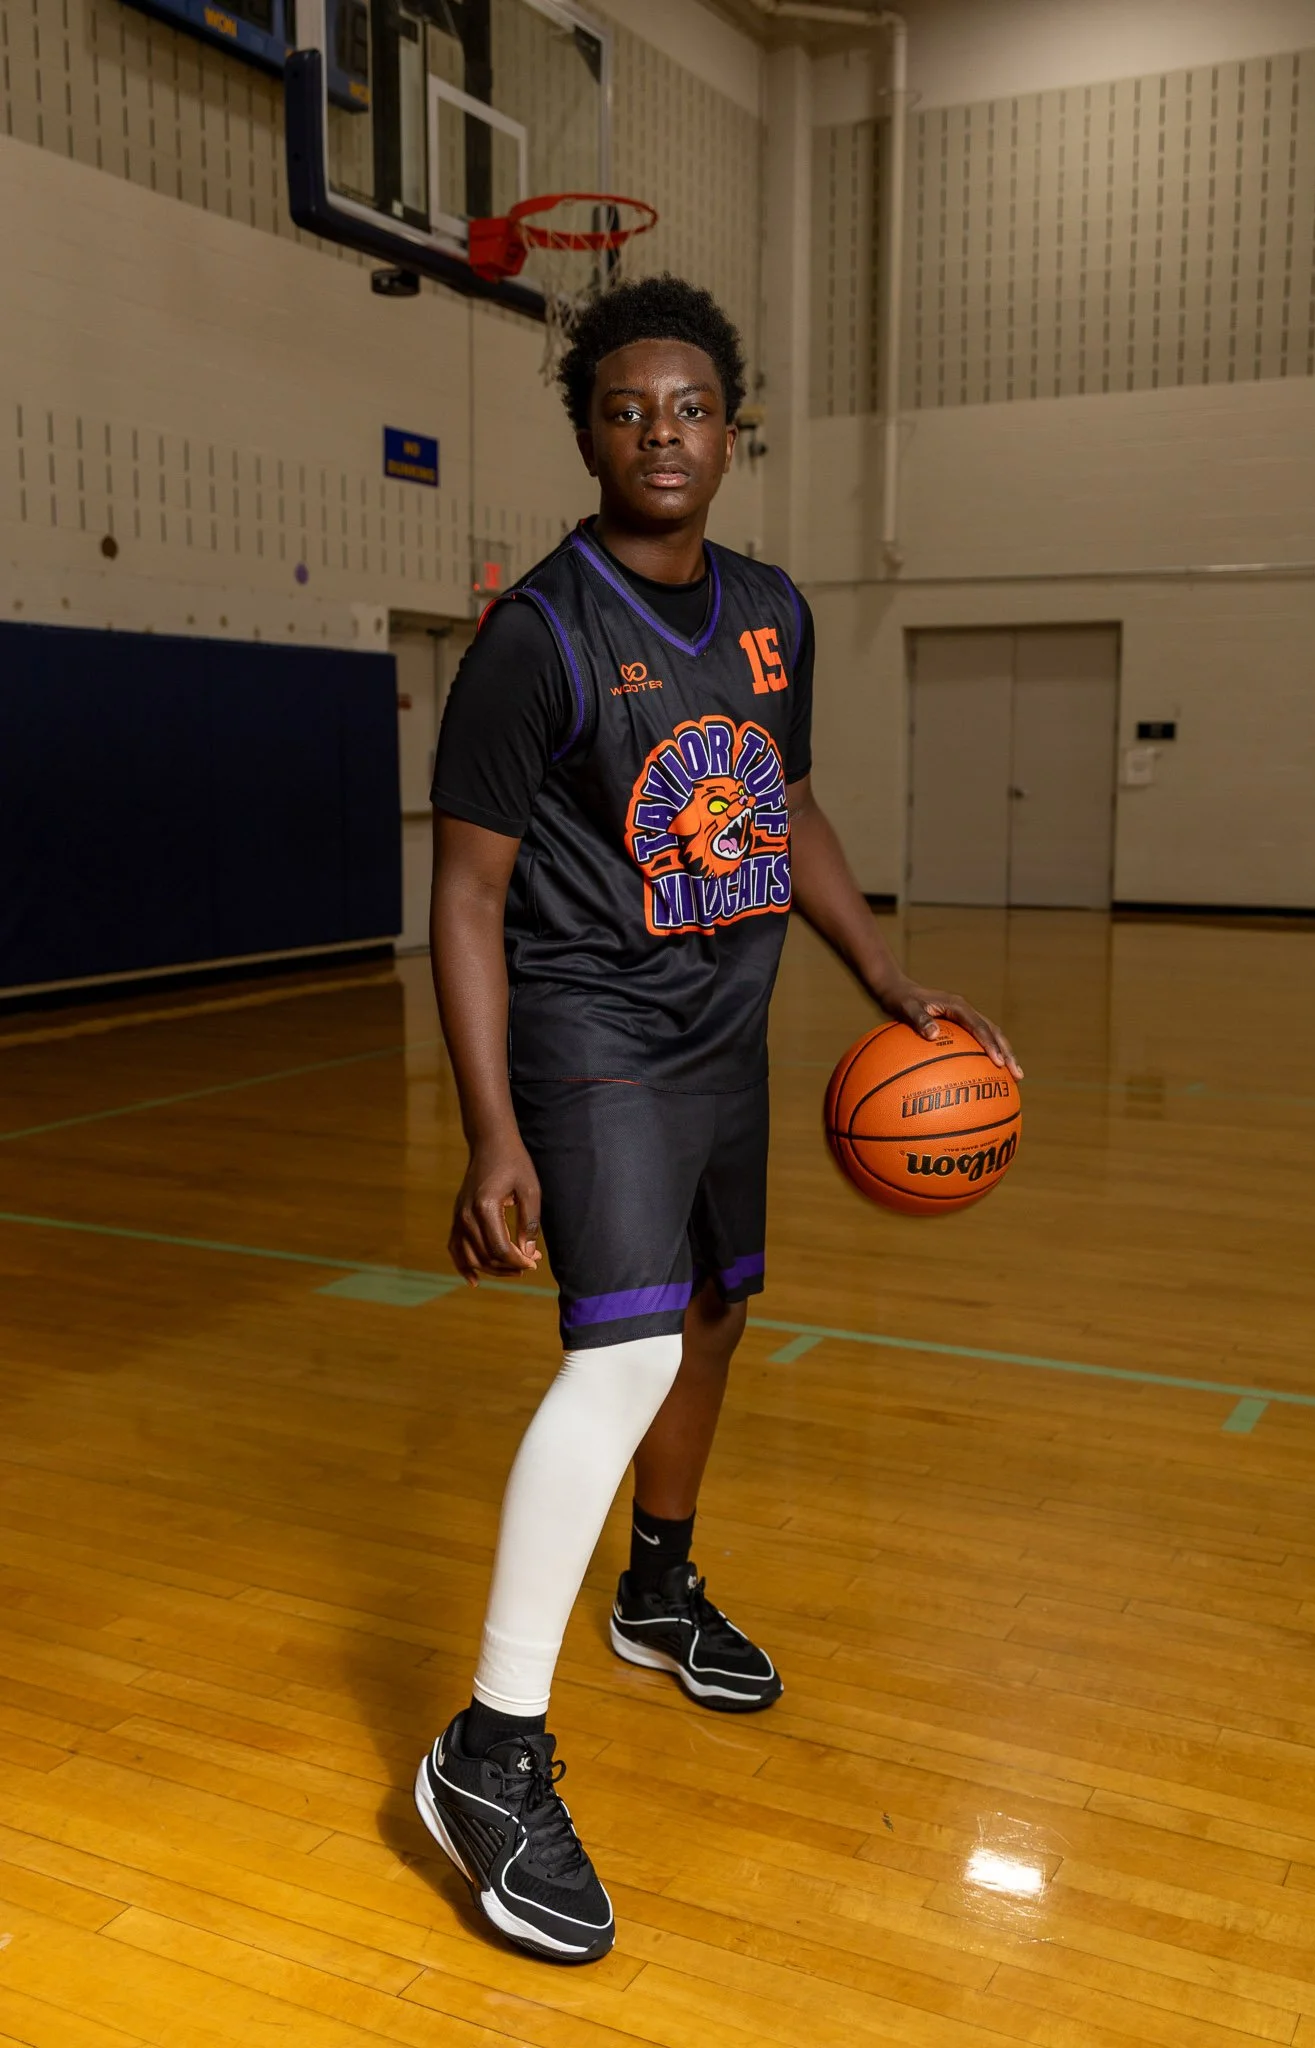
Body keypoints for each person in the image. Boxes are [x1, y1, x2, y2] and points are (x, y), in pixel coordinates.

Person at [417, 274, 1020, 1964]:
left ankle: (657, 1584)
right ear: (588, 430)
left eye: (690, 408)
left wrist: (886, 979)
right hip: (590, 1028)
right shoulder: (539, 632)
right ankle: (490, 1748)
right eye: (626, 409)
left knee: (711, 1316)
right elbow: (466, 894)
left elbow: (793, 800)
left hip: (724, 1025)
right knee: (613, 1356)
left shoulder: (772, 612)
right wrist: (490, 1131)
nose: (660, 433)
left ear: (733, 431)